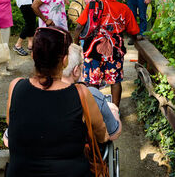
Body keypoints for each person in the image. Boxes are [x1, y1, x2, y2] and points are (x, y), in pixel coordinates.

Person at [6, 26, 109, 176]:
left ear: (33, 55)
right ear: (65, 61)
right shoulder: (80, 94)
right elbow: (100, 132)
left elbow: (11, 122)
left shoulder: (15, 86)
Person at [74, 0, 140, 107]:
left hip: (92, 49)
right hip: (115, 51)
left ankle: (94, 110)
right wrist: (136, 39)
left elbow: (78, 27)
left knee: (93, 81)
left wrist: (76, 45)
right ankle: (115, 109)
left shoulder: (92, 6)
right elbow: (134, 31)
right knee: (115, 81)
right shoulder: (124, 8)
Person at [62, 43, 122, 141]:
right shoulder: (90, 94)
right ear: (76, 70)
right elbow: (112, 134)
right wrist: (115, 112)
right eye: (82, 65)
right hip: (80, 152)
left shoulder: (37, 92)